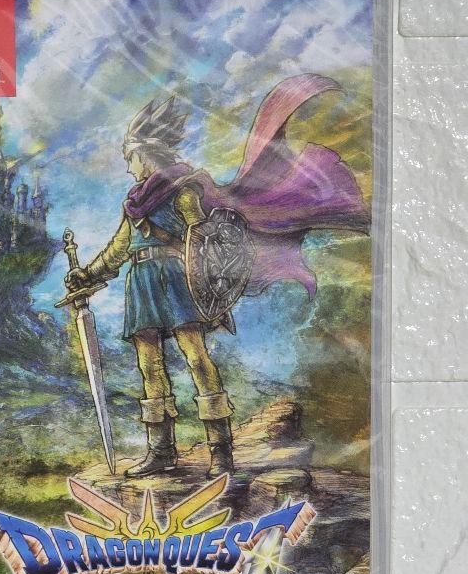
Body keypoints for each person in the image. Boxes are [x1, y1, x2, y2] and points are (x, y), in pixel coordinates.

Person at [65, 74, 368, 478]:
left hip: (178, 280)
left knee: (196, 357)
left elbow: (210, 238)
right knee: (149, 364)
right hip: (141, 283)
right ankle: (161, 451)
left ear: (146, 154)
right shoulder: (134, 203)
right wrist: (87, 273)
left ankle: (220, 451)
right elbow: (120, 248)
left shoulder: (184, 190)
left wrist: (205, 272)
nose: (128, 165)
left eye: (130, 157)